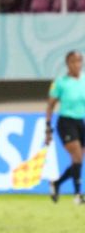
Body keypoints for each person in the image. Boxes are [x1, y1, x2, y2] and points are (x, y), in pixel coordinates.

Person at [47, 50, 85, 203]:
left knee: (78, 161)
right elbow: (50, 105)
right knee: (76, 157)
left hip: (80, 122)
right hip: (66, 122)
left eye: (79, 61)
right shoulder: (60, 82)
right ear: (68, 64)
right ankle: (77, 195)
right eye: (73, 61)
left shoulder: (84, 80)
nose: (77, 64)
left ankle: (56, 183)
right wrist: (47, 127)